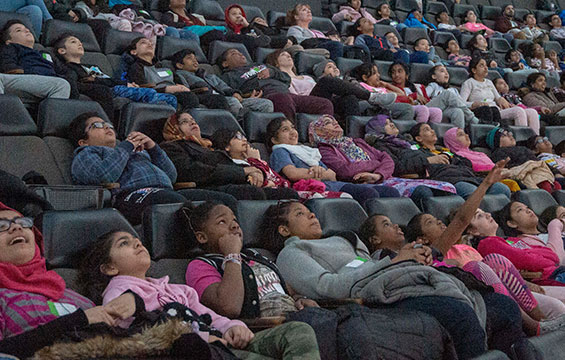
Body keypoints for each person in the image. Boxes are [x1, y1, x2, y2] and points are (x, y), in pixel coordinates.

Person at [257, 198, 525, 358]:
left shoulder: (343, 238)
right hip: (371, 298)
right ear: (284, 229)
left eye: (309, 210)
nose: (312, 214)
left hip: (393, 281)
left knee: (503, 306)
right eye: (300, 214)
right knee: (459, 312)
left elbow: (370, 263)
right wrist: (395, 261)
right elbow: (327, 287)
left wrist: (409, 260)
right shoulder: (292, 253)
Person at [79, 229, 322, 359]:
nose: (136, 243)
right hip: (199, 352)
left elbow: (208, 315)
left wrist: (231, 327)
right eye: (124, 244)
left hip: (222, 342)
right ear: (110, 267)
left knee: (298, 331)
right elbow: (140, 337)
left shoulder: (175, 289)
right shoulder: (119, 292)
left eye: (135, 239)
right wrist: (203, 339)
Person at [361, 190, 565, 334]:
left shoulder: (461, 248)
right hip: (460, 292)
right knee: (482, 265)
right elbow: (460, 225)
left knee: (493, 264)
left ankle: (537, 322)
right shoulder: (395, 257)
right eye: (431, 222)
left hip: (499, 288)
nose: (396, 225)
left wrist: (522, 281)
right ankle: (534, 322)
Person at [0, 202, 141, 359]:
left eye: (23, 223)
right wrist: (79, 320)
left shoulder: (73, 295)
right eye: (1, 226)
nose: (16, 228)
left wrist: (136, 300)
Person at [68, 112, 236, 224]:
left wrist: (153, 148)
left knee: (226, 201)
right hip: (130, 196)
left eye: (107, 124)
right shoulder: (86, 152)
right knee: (176, 203)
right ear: (83, 141)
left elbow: (171, 176)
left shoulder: (134, 150)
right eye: (97, 126)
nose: (106, 127)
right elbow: (103, 176)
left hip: (164, 191)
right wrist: (126, 147)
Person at [309, 115, 456, 202]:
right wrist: (375, 164)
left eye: (335, 121)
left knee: (449, 187)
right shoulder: (325, 149)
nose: (335, 124)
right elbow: (345, 170)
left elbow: (387, 160)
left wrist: (377, 174)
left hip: (383, 177)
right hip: (363, 182)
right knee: (423, 192)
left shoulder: (356, 141)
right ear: (318, 131)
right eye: (328, 123)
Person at [160, 112, 297, 201]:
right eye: (184, 121)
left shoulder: (211, 144)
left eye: (193, 119)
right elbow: (190, 170)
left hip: (235, 181)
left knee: (289, 195)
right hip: (208, 186)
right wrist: (243, 172)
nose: (193, 122)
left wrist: (256, 171)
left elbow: (237, 162)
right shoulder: (172, 146)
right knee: (253, 194)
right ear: (173, 128)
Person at [266, 117, 401, 204]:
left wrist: (317, 172)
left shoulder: (307, 150)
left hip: (333, 184)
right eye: (285, 130)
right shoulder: (280, 151)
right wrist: (315, 172)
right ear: (274, 139)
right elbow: (292, 174)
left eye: (293, 128)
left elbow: (332, 175)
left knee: (391, 192)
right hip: (315, 190)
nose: (292, 132)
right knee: (368, 193)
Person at [54, 33, 177, 122]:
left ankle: (171, 124)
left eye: (80, 41)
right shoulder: (69, 68)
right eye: (73, 42)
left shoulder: (92, 66)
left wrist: (127, 84)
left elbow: (108, 79)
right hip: (112, 90)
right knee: (149, 92)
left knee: (171, 99)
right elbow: (78, 84)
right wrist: (123, 85)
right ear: (62, 51)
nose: (80, 43)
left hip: (118, 86)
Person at [266, 51, 396, 121]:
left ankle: (353, 138)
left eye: (289, 54)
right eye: (283, 55)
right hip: (306, 102)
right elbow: (294, 99)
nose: (288, 55)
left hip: (322, 99)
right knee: (326, 81)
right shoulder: (282, 80)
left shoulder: (306, 77)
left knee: (349, 98)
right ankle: (370, 96)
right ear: (275, 63)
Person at [218, 47, 336, 121]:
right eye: (234, 53)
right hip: (269, 96)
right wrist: (245, 97)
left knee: (325, 104)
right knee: (283, 99)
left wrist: (272, 72)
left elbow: (286, 79)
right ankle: (291, 135)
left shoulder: (259, 65)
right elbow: (228, 92)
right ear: (225, 63)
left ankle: (326, 135)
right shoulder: (228, 76)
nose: (240, 54)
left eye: (240, 52)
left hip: (289, 94)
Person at [409, 123, 511, 199]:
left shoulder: (444, 151)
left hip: (469, 176)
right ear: (418, 138)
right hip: (450, 180)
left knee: (502, 189)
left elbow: (465, 163)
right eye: (427, 129)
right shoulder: (417, 152)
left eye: (432, 129)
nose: (433, 131)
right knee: (472, 192)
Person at [171, 49, 272, 119]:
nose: (195, 60)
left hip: (226, 98)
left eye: (195, 58)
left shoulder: (209, 76)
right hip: (208, 99)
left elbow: (224, 87)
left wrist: (234, 92)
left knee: (266, 104)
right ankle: (239, 125)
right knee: (233, 102)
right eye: (189, 58)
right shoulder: (180, 75)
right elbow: (186, 91)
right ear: (180, 65)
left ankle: (248, 120)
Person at [122, 37, 200, 112]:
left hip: (180, 92)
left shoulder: (164, 67)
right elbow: (142, 90)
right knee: (190, 98)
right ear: (134, 51)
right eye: (143, 43)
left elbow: (180, 84)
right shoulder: (136, 67)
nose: (150, 44)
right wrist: (166, 89)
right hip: (160, 95)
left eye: (151, 43)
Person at [0, 20, 72, 101]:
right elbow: (7, 62)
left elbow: (63, 71)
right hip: (21, 78)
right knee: (61, 85)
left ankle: (50, 112)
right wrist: (13, 70)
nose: (27, 30)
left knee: (63, 84)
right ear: (8, 41)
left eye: (27, 29)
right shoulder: (10, 48)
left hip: (46, 83)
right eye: (18, 30)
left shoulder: (45, 53)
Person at [461, 57, 538, 130]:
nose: (486, 68)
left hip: (496, 109)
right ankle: (521, 139)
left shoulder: (489, 82)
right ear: (474, 70)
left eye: (486, 65)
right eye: (481, 65)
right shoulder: (468, 83)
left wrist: (503, 100)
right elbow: (461, 103)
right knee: (518, 111)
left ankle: (535, 139)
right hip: (483, 111)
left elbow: (498, 98)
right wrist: (474, 104)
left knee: (532, 112)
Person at [350, 62, 438, 123]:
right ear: (365, 77)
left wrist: (386, 85)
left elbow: (401, 94)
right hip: (382, 106)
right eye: (374, 73)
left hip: (395, 105)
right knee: (411, 108)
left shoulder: (381, 88)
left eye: (378, 73)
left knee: (436, 111)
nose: (378, 75)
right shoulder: (363, 86)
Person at [159, 0, 225, 43]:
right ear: (168, 4)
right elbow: (168, 25)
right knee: (217, 34)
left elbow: (206, 27)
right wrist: (186, 24)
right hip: (193, 38)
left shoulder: (196, 17)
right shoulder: (169, 15)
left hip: (207, 35)